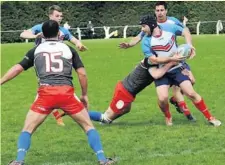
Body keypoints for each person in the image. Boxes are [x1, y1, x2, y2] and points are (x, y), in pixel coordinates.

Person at [1, 20, 115, 165]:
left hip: (45, 93)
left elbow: (17, 68)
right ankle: (103, 160)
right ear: (59, 33)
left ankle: (18, 161)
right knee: (88, 126)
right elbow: (82, 74)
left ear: (42, 34)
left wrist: (0, 81)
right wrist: (84, 95)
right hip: (66, 93)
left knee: (28, 129)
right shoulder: (68, 49)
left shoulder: (36, 50)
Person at [119, 1, 196, 121]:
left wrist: (189, 46)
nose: (159, 13)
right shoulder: (151, 25)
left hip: (175, 58)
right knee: (173, 90)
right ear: (155, 12)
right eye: (157, 10)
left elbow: (185, 30)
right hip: (161, 61)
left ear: (166, 11)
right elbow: (139, 37)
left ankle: (176, 99)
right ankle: (185, 112)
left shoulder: (172, 22)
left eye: (161, 10)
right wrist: (129, 44)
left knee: (192, 80)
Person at [140, 15, 221, 127]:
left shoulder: (169, 28)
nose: (142, 29)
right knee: (162, 98)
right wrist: (172, 59)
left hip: (177, 68)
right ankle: (168, 116)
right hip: (162, 70)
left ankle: (210, 118)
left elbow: (185, 31)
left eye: (144, 26)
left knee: (191, 93)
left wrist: (189, 45)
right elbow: (154, 59)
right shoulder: (146, 41)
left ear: (151, 25)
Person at [20, 5, 88, 126]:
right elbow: (23, 34)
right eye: (57, 16)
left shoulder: (63, 30)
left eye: (61, 16)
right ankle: (63, 114)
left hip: (59, 63)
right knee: (48, 90)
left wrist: (79, 44)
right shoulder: (40, 27)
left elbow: (74, 39)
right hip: (43, 63)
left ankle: (57, 112)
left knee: (53, 90)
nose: (59, 18)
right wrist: (35, 36)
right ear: (50, 16)